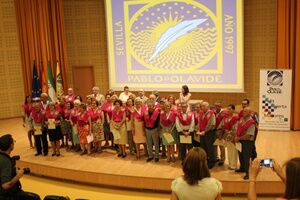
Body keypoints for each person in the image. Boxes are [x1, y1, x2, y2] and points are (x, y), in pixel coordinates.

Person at [0, 134, 41, 200]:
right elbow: (5, 185)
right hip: (7, 195)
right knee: (35, 198)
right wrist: (19, 175)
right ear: (11, 146)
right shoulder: (6, 162)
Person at [235, 107, 256, 179]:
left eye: (246, 111)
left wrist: (238, 138)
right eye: (243, 111)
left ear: (250, 113)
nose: (243, 112)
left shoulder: (251, 122)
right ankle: (242, 168)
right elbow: (238, 129)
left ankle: (248, 173)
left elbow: (248, 135)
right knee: (241, 155)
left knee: (246, 158)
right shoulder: (241, 119)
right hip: (240, 141)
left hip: (247, 142)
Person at [197, 101, 216, 169]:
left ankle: (211, 162)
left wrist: (205, 131)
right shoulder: (201, 113)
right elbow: (199, 122)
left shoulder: (211, 113)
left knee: (210, 148)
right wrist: (199, 130)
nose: (202, 107)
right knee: (203, 148)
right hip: (202, 133)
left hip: (209, 133)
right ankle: (205, 161)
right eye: (201, 106)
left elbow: (212, 124)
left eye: (204, 106)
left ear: (208, 106)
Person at [223, 104, 239, 170]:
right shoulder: (226, 117)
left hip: (233, 136)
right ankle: (230, 164)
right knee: (229, 150)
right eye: (228, 109)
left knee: (234, 151)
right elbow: (224, 126)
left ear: (233, 110)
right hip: (227, 136)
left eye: (230, 109)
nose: (228, 110)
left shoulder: (236, 117)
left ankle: (234, 165)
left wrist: (231, 133)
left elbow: (236, 127)